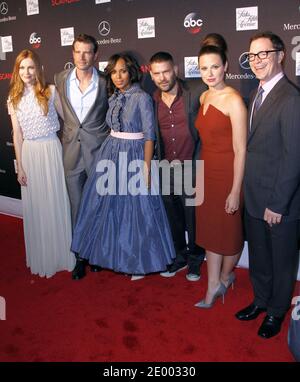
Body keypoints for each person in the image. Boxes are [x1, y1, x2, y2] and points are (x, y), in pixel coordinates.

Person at [71, 53, 175, 279]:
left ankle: (136, 259)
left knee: (135, 212)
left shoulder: (142, 98)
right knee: (103, 208)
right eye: (114, 72)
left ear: (132, 72)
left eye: (123, 71)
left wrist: (146, 169)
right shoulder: (113, 97)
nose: (118, 76)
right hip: (110, 153)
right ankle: (103, 255)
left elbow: (150, 136)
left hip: (134, 155)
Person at [235, 31, 300, 339]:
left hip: (278, 203)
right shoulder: (256, 94)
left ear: (280, 55)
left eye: (263, 54)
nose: (257, 61)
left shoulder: (291, 98)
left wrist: (278, 204)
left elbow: (294, 158)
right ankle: (261, 300)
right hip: (254, 195)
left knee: (282, 260)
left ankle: (276, 311)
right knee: (260, 255)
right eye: (252, 56)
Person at [7, 49, 75, 278]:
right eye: (22, 68)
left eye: (30, 67)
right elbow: (17, 135)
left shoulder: (50, 91)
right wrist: (20, 166)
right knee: (37, 207)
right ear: (17, 71)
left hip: (51, 151)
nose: (26, 72)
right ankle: (42, 256)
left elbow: (69, 121)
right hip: (30, 154)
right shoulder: (13, 98)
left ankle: (61, 254)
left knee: (56, 201)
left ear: (38, 69)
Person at [194, 43, 247, 308]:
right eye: (204, 68)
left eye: (215, 66)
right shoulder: (204, 97)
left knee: (230, 230)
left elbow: (241, 149)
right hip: (206, 172)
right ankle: (212, 284)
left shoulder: (234, 100)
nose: (210, 73)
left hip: (228, 173)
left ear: (226, 66)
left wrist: (236, 190)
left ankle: (226, 277)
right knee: (210, 231)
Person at [54, 34, 109, 280]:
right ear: (72, 53)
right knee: (76, 207)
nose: (82, 57)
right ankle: (80, 257)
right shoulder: (60, 79)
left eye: (87, 52)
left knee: (98, 205)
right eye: (78, 51)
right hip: (71, 153)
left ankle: (96, 253)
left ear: (96, 55)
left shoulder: (107, 82)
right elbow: (62, 113)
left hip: (98, 152)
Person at [149, 52, 206, 281]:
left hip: (191, 167)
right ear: (151, 75)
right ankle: (179, 258)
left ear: (176, 70)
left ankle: (195, 261)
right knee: (172, 218)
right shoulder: (151, 100)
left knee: (193, 218)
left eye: (166, 71)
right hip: (165, 168)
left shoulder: (197, 92)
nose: (163, 77)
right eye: (157, 73)